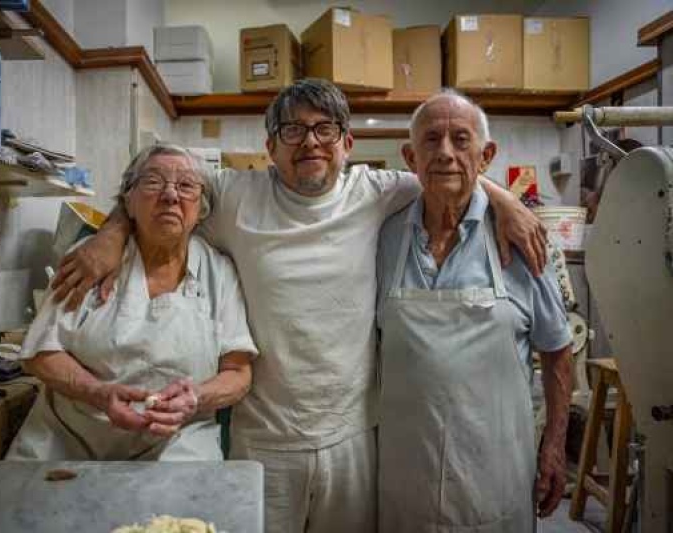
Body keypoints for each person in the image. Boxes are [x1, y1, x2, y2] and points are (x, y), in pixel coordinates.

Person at [51, 79, 548, 532]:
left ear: (347, 145)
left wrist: (508, 202)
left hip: (353, 438)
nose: (310, 142)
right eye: (293, 130)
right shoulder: (234, 195)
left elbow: (448, 170)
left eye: (324, 129)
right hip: (264, 438)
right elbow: (159, 182)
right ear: (269, 148)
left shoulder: (376, 192)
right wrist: (111, 233)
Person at [376, 90, 572, 532]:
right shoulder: (384, 237)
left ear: (486, 156)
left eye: (460, 140)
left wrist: (554, 446)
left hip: (496, 476)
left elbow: (558, 350)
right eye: (431, 140)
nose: (445, 152)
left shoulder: (524, 242)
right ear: (410, 156)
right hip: (406, 480)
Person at [7, 144, 257, 462]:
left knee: (179, 507)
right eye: (153, 182)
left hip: (177, 442)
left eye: (186, 185)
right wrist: (98, 394)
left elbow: (238, 372)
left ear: (202, 209)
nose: (170, 196)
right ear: (128, 201)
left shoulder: (218, 272)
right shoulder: (89, 259)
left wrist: (196, 397)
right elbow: (41, 353)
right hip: (69, 439)